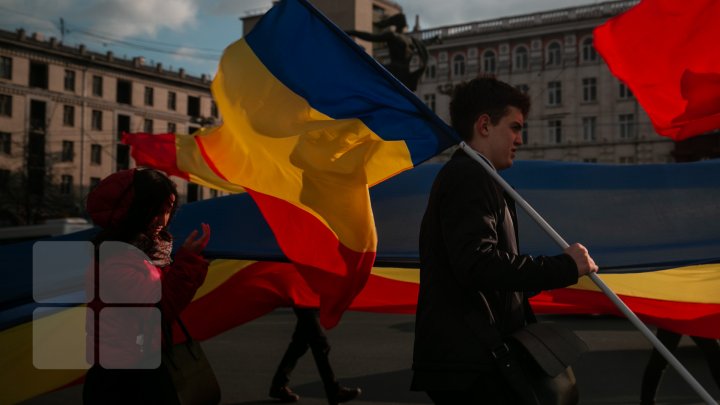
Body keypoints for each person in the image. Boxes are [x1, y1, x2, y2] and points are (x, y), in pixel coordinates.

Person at [410, 77, 599, 404]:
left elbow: (494, 278)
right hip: (470, 361)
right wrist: (563, 267)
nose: (519, 139)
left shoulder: (478, 175)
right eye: (514, 127)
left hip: (473, 355)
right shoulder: (468, 175)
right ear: (484, 125)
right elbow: (478, 264)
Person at [82, 168, 211, 404]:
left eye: (168, 210)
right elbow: (161, 307)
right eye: (155, 211)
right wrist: (189, 261)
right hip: (124, 380)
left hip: (137, 365)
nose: (162, 220)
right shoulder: (116, 259)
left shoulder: (142, 252)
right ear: (134, 211)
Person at [269, 307, 361, 404]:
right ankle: (333, 390)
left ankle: (278, 386)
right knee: (319, 343)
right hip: (303, 300)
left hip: (310, 300)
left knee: (300, 343)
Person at [346, 13, 428, 91]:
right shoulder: (412, 40)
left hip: (393, 71)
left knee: (364, 70)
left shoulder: (393, 36)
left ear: (395, 24)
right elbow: (425, 57)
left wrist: (353, 32)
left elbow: (371, 37)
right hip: (406, 74)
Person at [640, 328, 720, 404]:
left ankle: (647, 401)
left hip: (691, 316)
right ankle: (646, 401)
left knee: (714, 355)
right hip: (674, 317)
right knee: (660, 358)